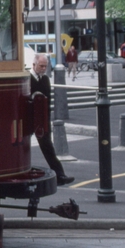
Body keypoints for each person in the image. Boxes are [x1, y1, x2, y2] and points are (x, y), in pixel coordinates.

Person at [29, 53, 74, 186]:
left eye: (45, 66)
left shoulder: (45, 80)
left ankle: (60, 175)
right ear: (34, 65)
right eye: (41, 66)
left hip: (41, 120)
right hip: (28, 119)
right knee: (22, 146)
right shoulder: (26, 79)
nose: (43, 69)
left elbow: (47, 103)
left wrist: (46, 122)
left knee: (48, 147)